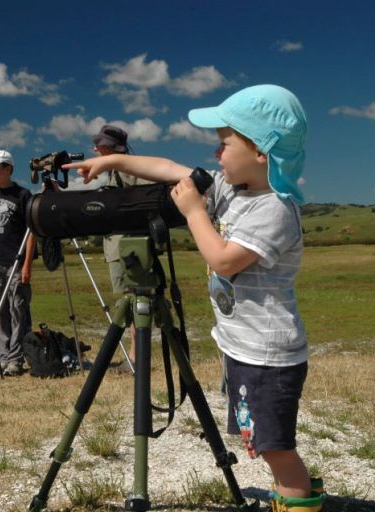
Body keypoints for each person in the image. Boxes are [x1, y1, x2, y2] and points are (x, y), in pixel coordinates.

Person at [65, 85, 319, 505]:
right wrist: (112, 160)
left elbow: (223, 260)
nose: (216, 154)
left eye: (224, 143)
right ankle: (292, 496)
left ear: (261, 152)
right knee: (262, 441)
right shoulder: (233, 190)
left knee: (276, 448)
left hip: (269, 357)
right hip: (245, 348)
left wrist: (195, 212)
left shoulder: (274, 208)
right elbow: (166, 167)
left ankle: (296, 499)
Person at [91, 124, 151, 372]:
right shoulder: (118, 170)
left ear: (111, 148)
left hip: (127, 247)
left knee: (133, 300)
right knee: (130, 300)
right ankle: (135, 356)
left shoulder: (125, 169)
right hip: (121, 246)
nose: (95, 149)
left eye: (100, 145)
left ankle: (137, 358)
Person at [0, 149, 36, 376]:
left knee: (18, 310)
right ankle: (3, 358)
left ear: (8, 169)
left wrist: (27, 264)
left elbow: (32, 232)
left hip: (16, 260)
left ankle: (16, 360)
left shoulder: (23, 195)